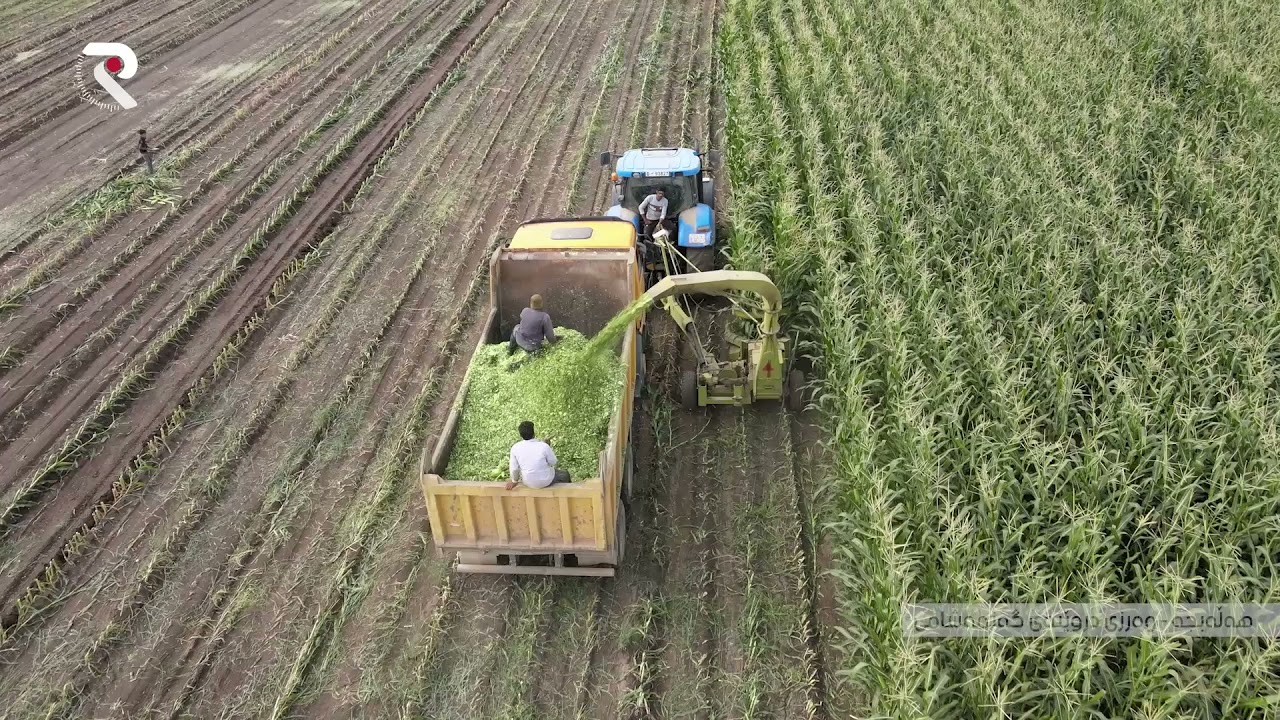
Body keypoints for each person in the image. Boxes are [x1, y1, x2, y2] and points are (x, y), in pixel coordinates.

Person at [505, 420, 570, 490]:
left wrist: (514, 481)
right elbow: (553, 462)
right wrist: (547, 446)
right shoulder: (543, 446)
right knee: (565, 475)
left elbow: (514, 469)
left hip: (528, 481)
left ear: (521, 435)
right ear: (534, 433)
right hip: (546, 480)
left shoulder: (515, 448)